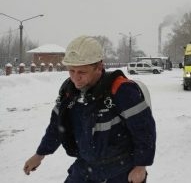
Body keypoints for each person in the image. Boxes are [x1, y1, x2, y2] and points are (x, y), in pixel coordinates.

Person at [23, 35, 156, 183]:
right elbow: (56, 126)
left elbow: (144, 130)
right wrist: (40, 154)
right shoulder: (69, 92)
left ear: (99, 67)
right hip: (85, 167)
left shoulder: (121, 90)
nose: (75, 78)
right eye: (71, 71)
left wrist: (141, 166)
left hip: (121, 169)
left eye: (82, 72)